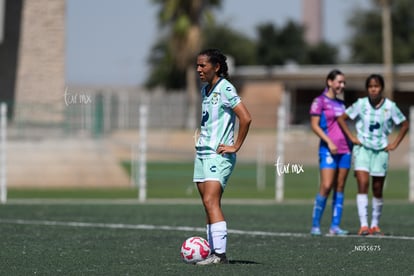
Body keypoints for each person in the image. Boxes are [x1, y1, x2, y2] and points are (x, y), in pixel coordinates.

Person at [193, 49, 251, 265]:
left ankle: (220, 255)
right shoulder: (204, 90)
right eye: (197, 65)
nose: (198, 69)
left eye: (203, 65)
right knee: (207, 204)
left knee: (211, 200)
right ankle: (211, 252)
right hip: (202, 154)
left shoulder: (226, 88)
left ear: (216, 67)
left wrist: (235, 145)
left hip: (218, 156)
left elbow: (246, 118)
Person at [337, 74, 408, 236]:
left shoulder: (390, 106)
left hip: (380, 151)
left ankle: (375, 225)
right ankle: (364, 225)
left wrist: (395, 144)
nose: (373, 89)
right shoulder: (360, 104)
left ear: (381, 88)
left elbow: (404, 124)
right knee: (362, 183)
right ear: (367, 88)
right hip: (362, 149)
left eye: (376, 86)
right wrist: (352, 137)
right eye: (370, 86)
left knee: (377, 188)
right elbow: (342, 119)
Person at [309, 69, 352, 236]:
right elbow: (314, 125)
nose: (342, 85)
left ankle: (335, 226)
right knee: (326, 186)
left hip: (345, 150)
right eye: (339, 82)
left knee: (340, 187)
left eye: (343, 82)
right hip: (328, 149)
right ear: (329, 82)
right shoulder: (319, 101)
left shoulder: (341, 104)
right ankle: (315, 225)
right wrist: (329, 142)